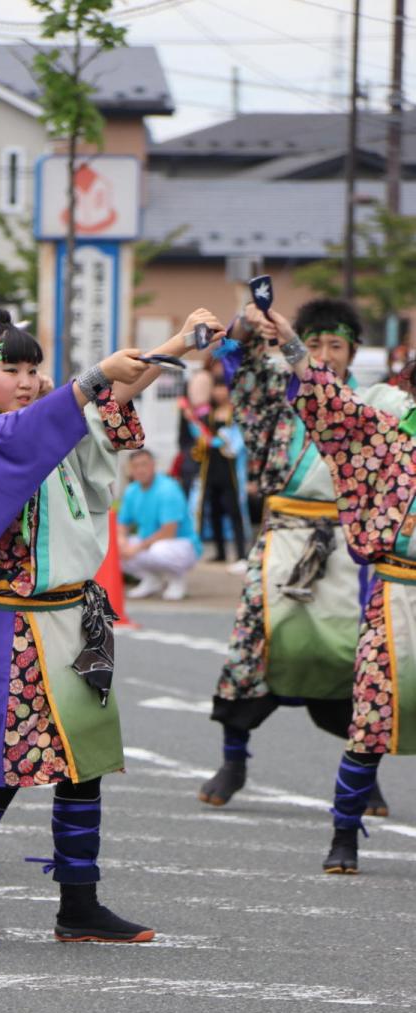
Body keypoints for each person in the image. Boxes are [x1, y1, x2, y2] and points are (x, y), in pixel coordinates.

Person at [0, 304, 224, 948]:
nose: (27, 380)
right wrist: (89, 380)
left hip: (72, 614)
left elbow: (97, 397)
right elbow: (65, 407)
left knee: (81, 762)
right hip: (15, 618)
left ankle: (79, 903)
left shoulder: (44, 428)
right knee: (4, 765)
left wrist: (179, 344)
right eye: (12, 369)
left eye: (35, 369)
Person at [198, 298, 389, 820]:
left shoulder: (370, 403)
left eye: (337, 345)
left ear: (353, 352)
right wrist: (243, 321)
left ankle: (363, 776)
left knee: (363, 663)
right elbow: (237, 357)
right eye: (316, 343)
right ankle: (233, 761)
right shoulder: (273, 398)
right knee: (250, 652)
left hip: (352, 549)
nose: (326, 354)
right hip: (282, 543)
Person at [260, 303, 416, 875]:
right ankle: (344, 834)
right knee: (372, 716)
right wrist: (296, 347)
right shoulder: (384, 435)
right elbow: (330, 403)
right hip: (397, 591)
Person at [187, 361, 249, 570]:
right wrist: (202, 436)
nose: (220, 392)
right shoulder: (209, 415)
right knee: (212, 509)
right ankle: (221, 552)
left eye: (224, 387)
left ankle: (241, 553)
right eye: (217, 387)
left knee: (234, 511)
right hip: (211, 469)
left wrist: (220, 440)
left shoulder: (235, 414)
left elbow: (237, 442)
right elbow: (201, 440)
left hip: (230, 470)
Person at [117, 448, 201, 601]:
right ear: (130, 469)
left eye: (144, 464)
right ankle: (151, 580)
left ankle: (176, 579)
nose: (140, 470)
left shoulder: (168, 489)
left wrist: (135, 548)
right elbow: (122, 523)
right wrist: (122, 541)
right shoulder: (132, 490)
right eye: (136, 466)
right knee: (115, 547)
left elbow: (169, 531)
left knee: (159, 549)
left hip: (181, 544)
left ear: (153, 465)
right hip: (149, 542)